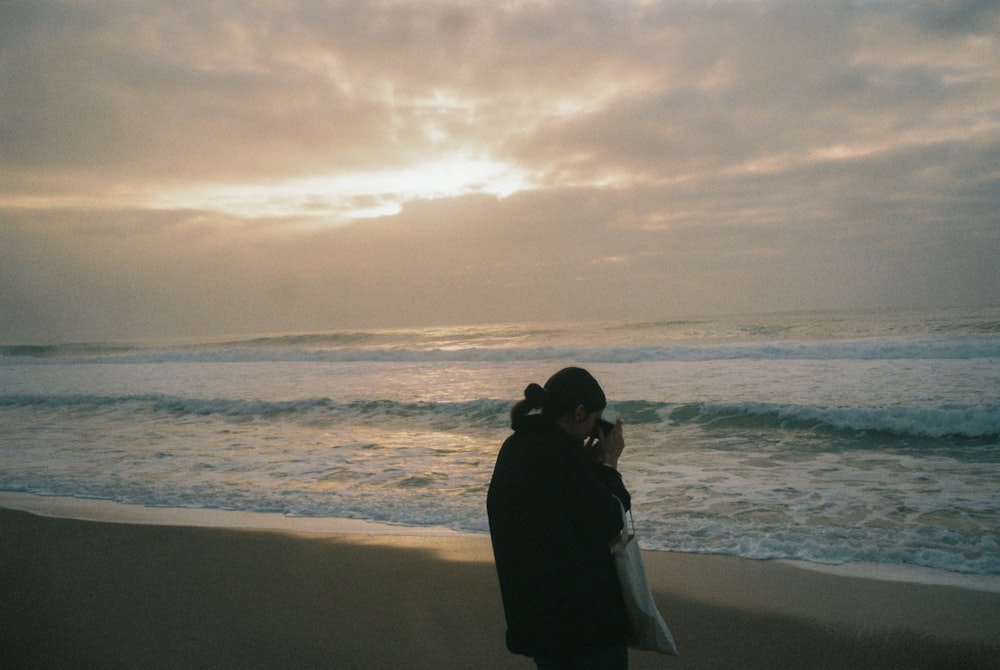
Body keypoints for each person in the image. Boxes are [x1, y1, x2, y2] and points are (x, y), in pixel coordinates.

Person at [487, 367, 632, 669]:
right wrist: (609, 466)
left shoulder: (514, 447)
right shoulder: (562, 453)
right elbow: (610, 517)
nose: (593, 431)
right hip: (584, 626)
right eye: (594, 419)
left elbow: (557, 513)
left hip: (538, 621)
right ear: (579, 412)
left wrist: (587, 467)